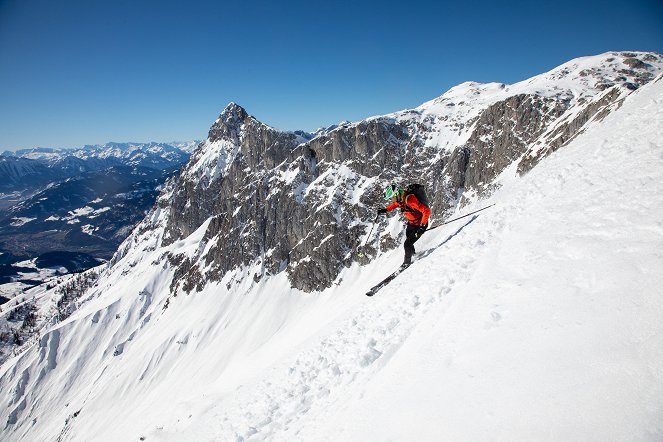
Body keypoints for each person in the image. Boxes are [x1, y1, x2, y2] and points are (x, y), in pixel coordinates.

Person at [377, 183, 431, 266]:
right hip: (411, 224)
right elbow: (395, 204)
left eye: (392, 198)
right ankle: (413, 255)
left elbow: (426, 210)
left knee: (407, 244)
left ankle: (406, 263)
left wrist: (422, 227)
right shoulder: (400, 199)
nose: (392, 200)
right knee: (408, 239)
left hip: (419, 225)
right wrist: (385, 210)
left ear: (397, 194)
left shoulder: (410, 200)